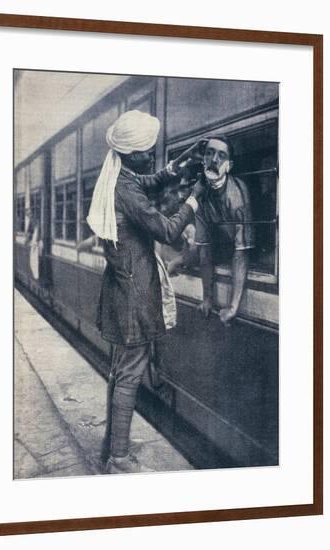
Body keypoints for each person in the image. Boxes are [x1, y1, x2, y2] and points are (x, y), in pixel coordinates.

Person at [86, 110, 204, 474]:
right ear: (132, 152)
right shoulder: (127, 190)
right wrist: (193, 200)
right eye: (148, 150)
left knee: (120, 372)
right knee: (131, 375)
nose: (152, 154)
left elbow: (146, 181)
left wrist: (176, 167)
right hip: (135, 296)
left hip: (121, 290)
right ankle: (119, 460)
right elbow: (168, 231)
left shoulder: (117, 177)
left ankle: (111, 448)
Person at [195, 135, 255, 326]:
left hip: (240, 250)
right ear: (203, 159)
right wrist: (207, 298)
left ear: (229, 165)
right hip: (220, 247)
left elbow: (242, 252)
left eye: (221, 156)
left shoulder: (237, 195)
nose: (214, 160)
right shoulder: (200, 194)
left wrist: (233, 306)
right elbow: (204, 250)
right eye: (210, 153)